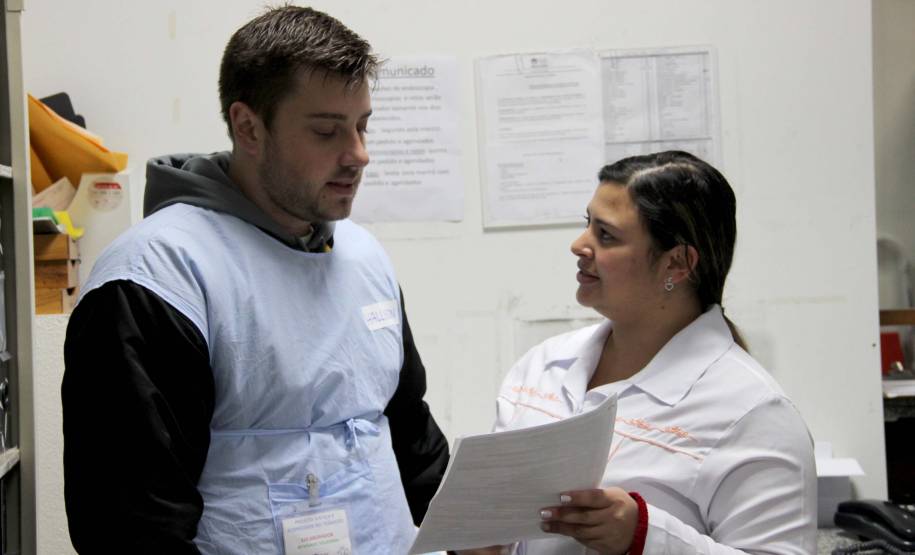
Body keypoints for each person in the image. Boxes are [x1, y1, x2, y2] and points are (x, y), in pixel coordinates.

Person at [61, 6, 449, 554]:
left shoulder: (363, 256)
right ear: (249, 127)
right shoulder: (159, 277)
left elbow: (408, 427)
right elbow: (131, 521)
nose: (358, 154)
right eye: (326, 131)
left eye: (362, 125)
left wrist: (469, 532)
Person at [465, 151, 816, 554]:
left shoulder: (753, 413)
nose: (579, 245)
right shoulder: (542, 367)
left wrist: (644, 535)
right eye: (587, 225)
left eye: (606, 235)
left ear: (677, 265)